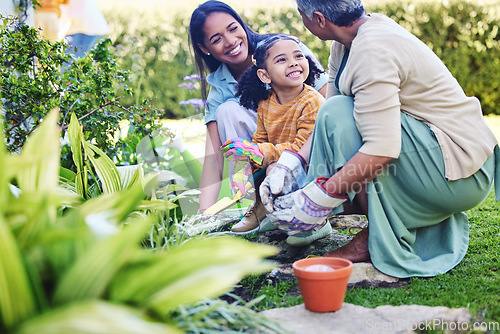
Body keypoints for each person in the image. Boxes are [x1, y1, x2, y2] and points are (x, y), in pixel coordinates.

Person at [260, 0, 499, 276]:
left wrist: (317, 199)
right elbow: (329, 115)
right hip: (436, 152)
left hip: (462, 172)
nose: (301, 19)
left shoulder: (372, 49)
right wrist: (291, 164)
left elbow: (381, 147)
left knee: (343, 116)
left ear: (318, 19)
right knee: (336, 113)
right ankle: (386, 223)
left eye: (301, 14)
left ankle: (375, 238)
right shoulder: (346, 43)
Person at [188, 0, 328, 214]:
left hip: (307, 146)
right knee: (227, 110)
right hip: (264, 156)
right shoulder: (219, 85)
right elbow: (214, 158)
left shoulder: (283, 48)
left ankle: (302, 190)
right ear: (204, 48)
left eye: (233, 28)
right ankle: (250, 201)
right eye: (216, 39)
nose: (230, 41)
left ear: (242, 24)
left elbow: (328, 103)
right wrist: (204, 211)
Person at [220, 34, 325, 236]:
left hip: (313, 169)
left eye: (298, 56)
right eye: (282, 60)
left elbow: (302, 148)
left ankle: (311, 223)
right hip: (283, 164)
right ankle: (264, 211)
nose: (294, 63)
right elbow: (261, 140)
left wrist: (260, 152)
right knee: (259, 166)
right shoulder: (266, 103)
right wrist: (247, 158)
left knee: (274, 169)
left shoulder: (312, 101)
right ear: (265, 76)